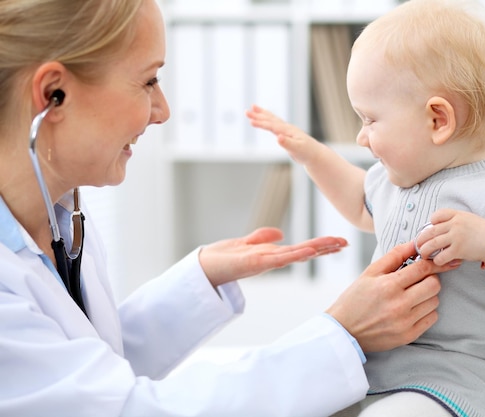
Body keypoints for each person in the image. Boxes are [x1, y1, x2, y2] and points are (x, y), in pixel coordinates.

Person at [0, 0, 461, 416]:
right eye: (148, 80)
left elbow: (93, 370)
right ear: (52, 94)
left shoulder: (60, 220)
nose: (162, 111)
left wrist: (199, 276)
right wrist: (344, 332)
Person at [247, 0, 485, 416]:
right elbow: (357, 201)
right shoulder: (395, 181)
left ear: (437, 121)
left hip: (459, 380)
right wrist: (310, 153)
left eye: (369, 120)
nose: (362, 137)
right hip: (377, 369)